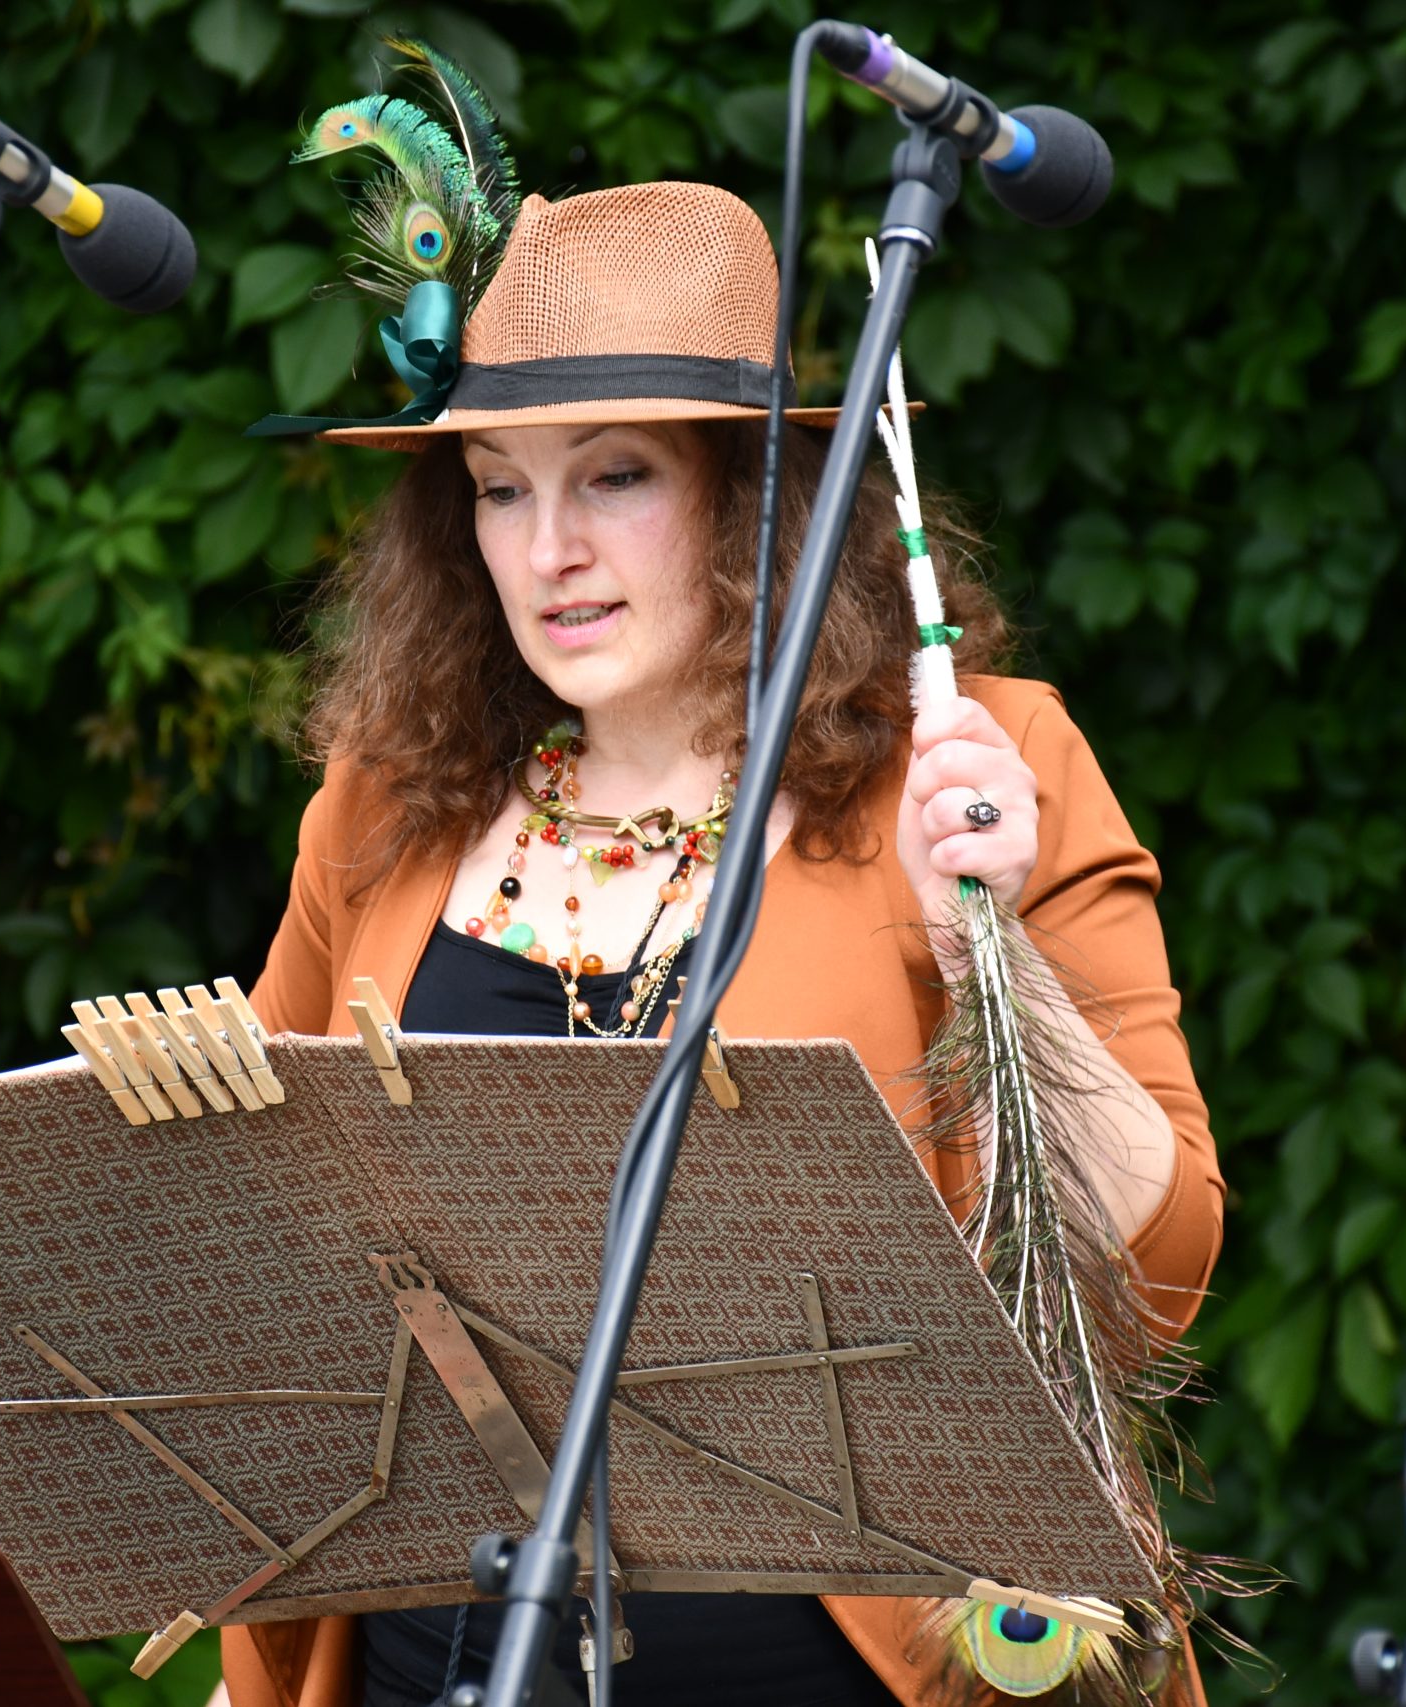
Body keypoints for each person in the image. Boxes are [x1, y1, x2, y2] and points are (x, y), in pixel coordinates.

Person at [229, 180, 1224, 1707]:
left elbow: (1160, 1268)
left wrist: (988, 954)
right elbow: (260, 1220)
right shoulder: (387, 799)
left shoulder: (975, 761)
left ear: (759, 502)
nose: (548, 549)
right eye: (500, 490)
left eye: (614, 476)